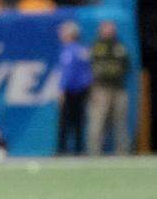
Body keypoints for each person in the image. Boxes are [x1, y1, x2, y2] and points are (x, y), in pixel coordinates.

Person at [87, 20, 131, 155]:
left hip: (118, 88)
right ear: (101, 31)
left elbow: (126, 66)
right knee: (97, 121)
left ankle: (123, 152)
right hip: (100, 89)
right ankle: (94, 152)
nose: (109, 31)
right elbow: (89, 69)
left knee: (120, 122)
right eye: (106, 28)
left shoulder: (119, 46)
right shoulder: (96, 46)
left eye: (111, 28)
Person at [56, 21, 92, 155]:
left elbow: (68, 72)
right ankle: (79, 149)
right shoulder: (83, 49)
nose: (60, 34)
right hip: (82, 91)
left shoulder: (69, 50)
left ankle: (62, 150)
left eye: (63, 32)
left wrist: (62, 89)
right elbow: (88, 73)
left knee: (65, 122)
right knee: (79, 121)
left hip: (71, 90)